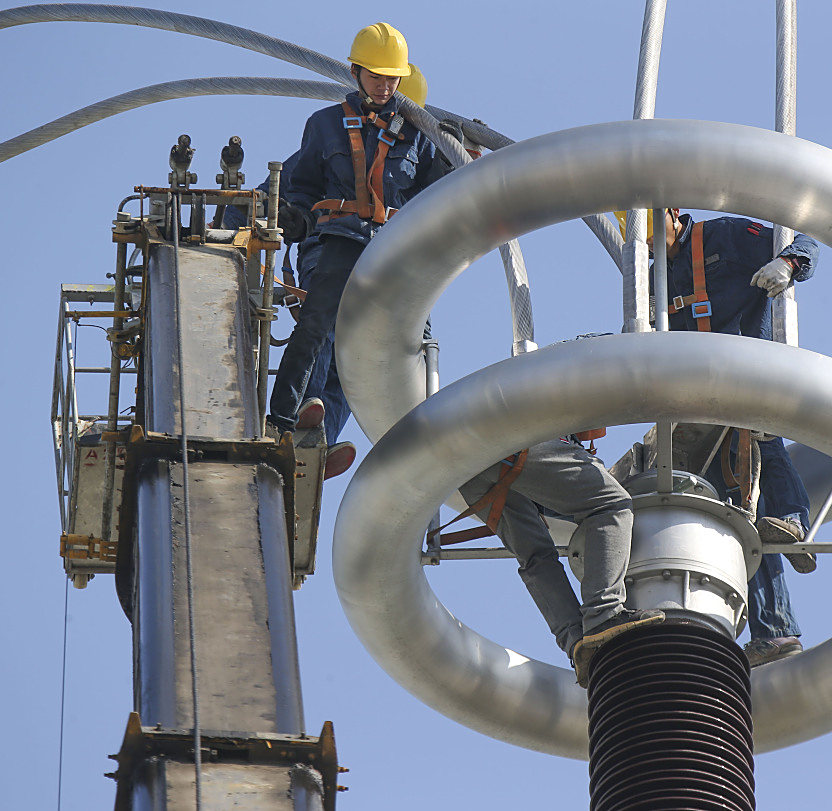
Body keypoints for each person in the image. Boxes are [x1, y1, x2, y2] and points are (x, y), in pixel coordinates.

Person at [619, 207, 820, 667]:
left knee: (762, 444)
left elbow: (801, 239)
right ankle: (776, 630)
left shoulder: (724, 237)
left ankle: (795, 520)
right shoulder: (657, 276)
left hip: (749, 372)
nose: (648, 240)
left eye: (651, 228)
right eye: (639, 235)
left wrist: (787, 265)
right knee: (741, 516)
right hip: (705, 399)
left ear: (672, 214)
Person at [227, 64, 430, 476]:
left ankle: (321, 440)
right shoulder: (330, 128)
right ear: (359, 76)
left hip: (390, 260)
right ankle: (303, 406)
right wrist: (250, 221)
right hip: (331, 245)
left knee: (361, 361)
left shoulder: (419, 144)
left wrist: (466, 158)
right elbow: (286, 189)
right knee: (327, 324)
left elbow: (447, 195)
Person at [452, 438, 664, 688]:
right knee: (611, 505)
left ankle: (576, 642)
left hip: (463, 462)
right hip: (510, 437)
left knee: (535, 555)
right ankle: (604, 614)